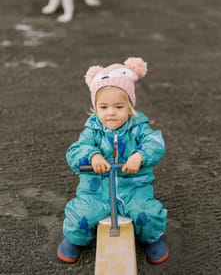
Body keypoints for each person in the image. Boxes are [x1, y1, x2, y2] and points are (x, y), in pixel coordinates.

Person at [57, 57, 169, 264]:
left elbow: (156, 143)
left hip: (133, 187)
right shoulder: (93, 130)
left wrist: (140, 155)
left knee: (146, 212)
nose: (111, 113)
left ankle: (152, 237)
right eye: (104, 107)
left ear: (130, 106)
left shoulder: (138, 127)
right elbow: (75, 150)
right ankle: (75, 238)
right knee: (83, 213)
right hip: (97, 188)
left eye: (118, 107)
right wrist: (93, 155)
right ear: (95, 108)